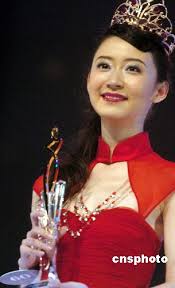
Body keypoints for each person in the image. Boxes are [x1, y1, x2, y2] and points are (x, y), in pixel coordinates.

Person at [18, 0, 175, 287]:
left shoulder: (169, 182)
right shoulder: (50, 183)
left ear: (160, 90)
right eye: (104, 65)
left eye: (133, 69)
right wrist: (30, 270)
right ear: (90, 77)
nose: (113, 80)